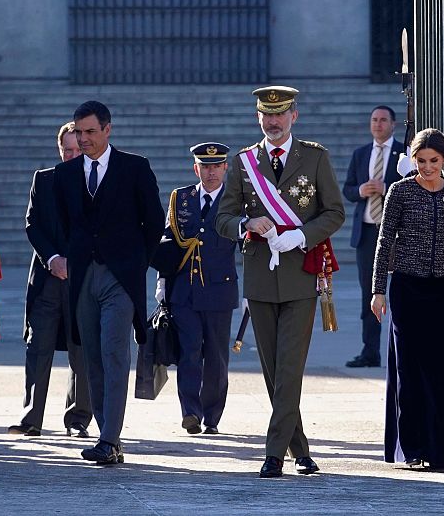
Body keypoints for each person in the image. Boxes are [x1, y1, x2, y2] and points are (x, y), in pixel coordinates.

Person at [215, 86, 345, 478]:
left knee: (290, 368)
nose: (273, 122)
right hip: (259, 278)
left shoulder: (315, 157)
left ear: (294, 117)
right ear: (258, 118)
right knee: (274, 372)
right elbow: (223, 218)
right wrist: (246, 223)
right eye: (265, 116)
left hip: (301, 276)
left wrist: (302, 235)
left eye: (280, 115)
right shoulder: (242, 163)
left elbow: (335, 212)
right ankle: (300, 449)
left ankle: (273, 455)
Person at [54, 101, 165, 464]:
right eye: (78, 132)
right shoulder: (66, 174)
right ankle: (109, 437)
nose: (82, 139)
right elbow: (63, 226)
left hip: (121, 278)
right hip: (83, 277)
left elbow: (154, 222)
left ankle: (109, 437)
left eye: (89, 132)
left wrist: (136, 265)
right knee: (93, 358)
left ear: (107, 130)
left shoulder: (135, 167)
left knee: (114, 350)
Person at [371, 128, 444, 470]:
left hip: (441, 289)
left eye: (434, 161)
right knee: (409, 370)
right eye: (421, 161)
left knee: (441, 370)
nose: (427, 167)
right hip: (406, 288)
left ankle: (440, 450)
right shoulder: (400, 191)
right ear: (412, 160)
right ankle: (412, 448)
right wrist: (377, 290)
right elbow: (384, 243)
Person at [8, 122, 92, 438]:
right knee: (37, 347)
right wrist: (54, 259)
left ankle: (78, 419)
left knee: (81, 351)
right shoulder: (43, 180)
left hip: (82, 280)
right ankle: (31, 418)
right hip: (47, 279)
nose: (71, 155)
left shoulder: (97, 182)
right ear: (59, 150)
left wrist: (76, 261)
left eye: (77, 149)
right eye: (66, 150)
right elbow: (32, 225)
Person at [155, 142, 239, 435]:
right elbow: (168, 242)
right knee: (189, 352)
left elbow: (249, 245)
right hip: (185, 291)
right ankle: (190, 412)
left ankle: (212, 417)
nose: (211, 172)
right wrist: (162, 283)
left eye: (216, 166)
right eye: (205, 166)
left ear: (225, 167)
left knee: (216, 357)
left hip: (219, 290)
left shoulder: (235, 200)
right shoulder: (182, 198)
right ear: (196, 168)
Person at [342, 106, 405, 368]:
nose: (378, 124)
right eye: (374, 120)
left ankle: (401, 349)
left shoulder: (403, 153)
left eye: (383, 120)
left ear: (393, 124)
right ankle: (370, 351)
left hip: (397, 233)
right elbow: (347, 189)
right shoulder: (361, 154)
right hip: (367, 233)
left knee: (401, 292)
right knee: (370, 292)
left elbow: (414, 184)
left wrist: (387, 188)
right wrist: (361, 189)